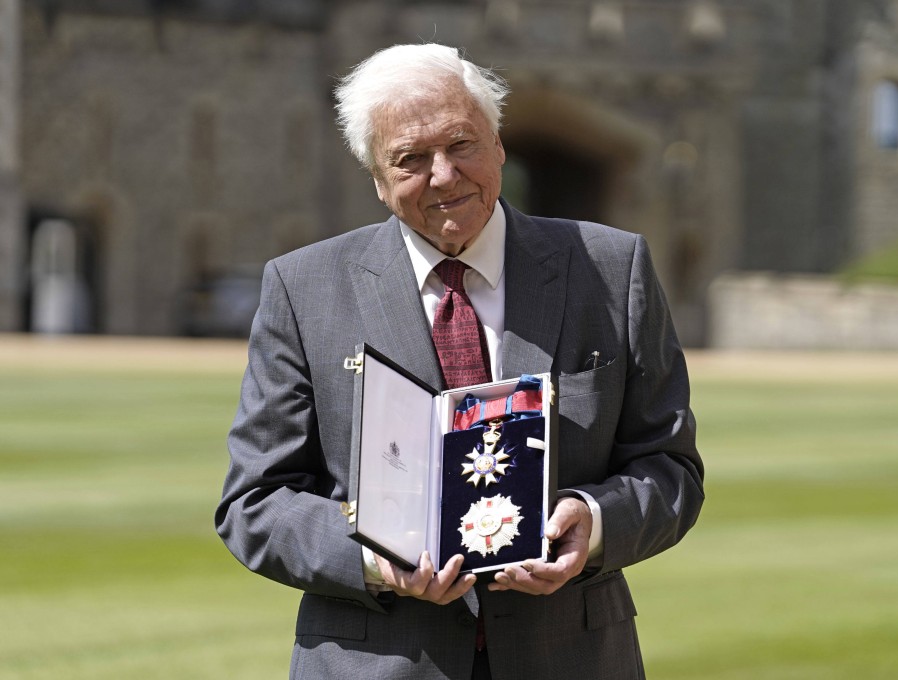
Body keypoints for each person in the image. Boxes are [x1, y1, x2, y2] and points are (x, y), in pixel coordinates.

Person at [215, 43, 704, 680]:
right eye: (411, 159)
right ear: (378, 179)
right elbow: (254, 503)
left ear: (499, 143)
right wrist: (372, 559)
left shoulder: (613, 269)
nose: (444, 175)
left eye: (461, 144)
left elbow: (671, 470)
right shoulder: (303, 287)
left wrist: (598, 521)